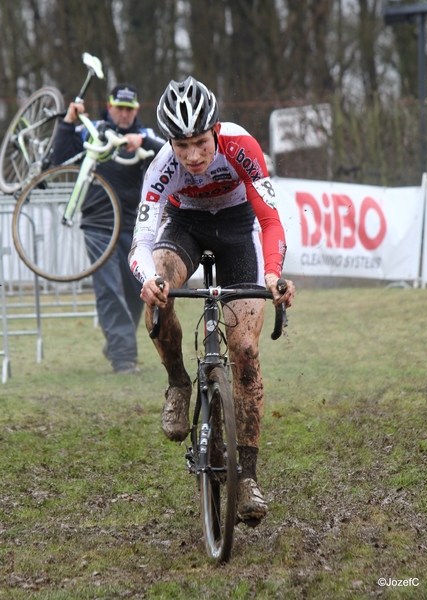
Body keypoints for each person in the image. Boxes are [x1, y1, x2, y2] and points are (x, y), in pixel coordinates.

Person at [129, 77, 295, 523]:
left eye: (201, 142)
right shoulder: (162, 166)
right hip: (184, 225)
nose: (194, 156)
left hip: (239, 229)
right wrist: (148, 279)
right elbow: (141, 240)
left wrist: (275, 274)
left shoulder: (242, 146)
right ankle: (179, 383)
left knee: (243, 350)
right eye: (182, 146)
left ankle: (248, 478)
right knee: (160, 291)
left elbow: (271, 219)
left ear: (215, 130)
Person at [51, 83, 165, 374]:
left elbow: (168, 154)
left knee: (138, 290)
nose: (123, 114)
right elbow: (59, 158)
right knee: (110, 290)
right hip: (97, 223)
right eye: (119, 108)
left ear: (136, 110)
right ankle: (123, 358)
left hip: (134, 226)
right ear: (109, 106)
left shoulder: (146, 135)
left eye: (129, 109)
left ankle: (117, 341)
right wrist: (68, 122)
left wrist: (141, 143)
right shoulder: (94, 130)